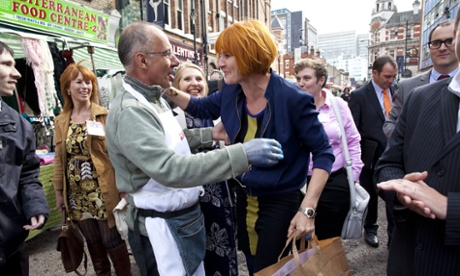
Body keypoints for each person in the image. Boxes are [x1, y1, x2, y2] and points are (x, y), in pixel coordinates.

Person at [105, 21, 283, 276]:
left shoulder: (151, 98)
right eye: (167, 54)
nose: (175, 61)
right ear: (142, 61)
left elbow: (168, 140)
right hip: (162, 231)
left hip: (179, 223)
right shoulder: (131, 111)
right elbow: (169, 168)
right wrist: (243, 154)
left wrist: (208, 134)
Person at [164, 20, 334, 274]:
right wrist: (163, 88)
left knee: (270, 268)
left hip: (280, 202)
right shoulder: (232, 92)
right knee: (254, 265)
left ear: (249, 53)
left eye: (227, 55)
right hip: (244, 199)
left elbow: (323, 154)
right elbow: (200, 107)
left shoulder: (293, 99)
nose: (219, 63)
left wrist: (307, 210)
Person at [374, 11, 460, 275]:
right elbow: (387, 165)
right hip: (409, 259)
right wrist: (401, 193)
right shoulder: (419, 97)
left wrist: (449, 207)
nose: (443, 46)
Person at [53, 61, 131, 275]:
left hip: (103, 190)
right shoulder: (61, 121)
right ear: (68, 88)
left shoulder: (104, 114)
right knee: (93, 241)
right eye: (79, 82)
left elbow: (119, 154)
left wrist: (124, 187)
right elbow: (60, 161)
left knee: (111, 239)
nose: (85, 86)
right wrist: (59, 193)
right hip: (77, 195)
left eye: (89, 82)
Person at [172, 62, 238, 275]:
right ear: (177, 85)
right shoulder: (171, 117)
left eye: (199, 79)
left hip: (220, 196)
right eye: (187, 79)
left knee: (223, 251)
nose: (194, 83)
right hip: (190, 200)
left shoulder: (218, 114)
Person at [294, 58, 363, 239]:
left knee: (329, 241)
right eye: (298, 78)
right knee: (300, 239)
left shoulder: (338, 106)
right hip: (301, 183)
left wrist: (352, 177)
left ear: (321, 80)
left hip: (334, 183)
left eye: (306, 78)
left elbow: (353, 141)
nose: (301, 83)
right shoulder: (293, 107)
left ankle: (329, 268)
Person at [0, 41, 50, 276]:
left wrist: (34, 205)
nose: (17, 73)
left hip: (11, 243)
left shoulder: (19, 124)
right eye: (6, 64)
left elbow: (28, 173)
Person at [348, 55, 397, 248]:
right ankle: (371, 228)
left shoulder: (397, 91)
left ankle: (395, 235)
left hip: (394, 153)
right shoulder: (360, 95)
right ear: (374, 73)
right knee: (371, 194)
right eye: (387, 76)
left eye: (393, 76)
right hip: (370, 154)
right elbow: (353, 128)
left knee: (394, 195)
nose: (390, 81)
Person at [383, 19, 459, 139]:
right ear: (429, 48)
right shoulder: (407, 86)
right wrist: (407, 145)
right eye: (436, 43)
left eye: (450, 41)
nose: (442, 48)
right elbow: (389, 124)